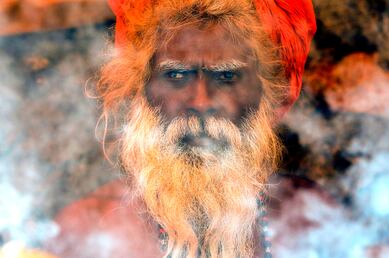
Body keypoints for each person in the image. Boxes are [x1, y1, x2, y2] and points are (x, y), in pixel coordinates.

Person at [47, 0, 316, 257]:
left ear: (267, 96)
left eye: (227, 76)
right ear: (140, 92)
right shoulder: (84, 233)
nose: (201, 102)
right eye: (176, 75)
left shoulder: (310, 217)